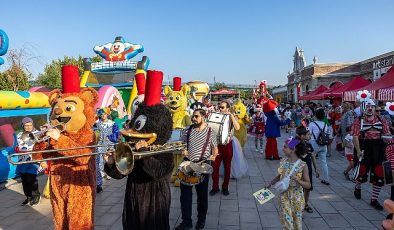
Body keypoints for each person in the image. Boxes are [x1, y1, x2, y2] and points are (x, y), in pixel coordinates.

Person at [175, 109, 218, 230]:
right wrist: (182, 149)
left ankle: (201, 220)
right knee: (185, 196)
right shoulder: (188, 129)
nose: (193, 118)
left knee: (202, 196)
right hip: (187, 165)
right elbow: (181, 144)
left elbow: (215, 148)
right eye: (192, 116)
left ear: (203, 116)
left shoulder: (210, 131)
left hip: (202, 166)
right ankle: (186, 221)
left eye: (196, 116)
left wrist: (213, 155)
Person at [352, 99, 390, 210]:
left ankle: (374, 199)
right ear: (363, 108)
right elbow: (355, 136)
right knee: (361, 171)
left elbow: (387, 134)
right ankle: (358, 186)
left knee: (379, 173)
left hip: (379, 148)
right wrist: (358, 150)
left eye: (372, 106)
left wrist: (387, 139)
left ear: (375, 108)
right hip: (364, 147)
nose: (370, 108)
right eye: (367, 106)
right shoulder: (358, 121)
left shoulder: (382, 120)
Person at [267, 137, 311, 230]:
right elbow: (280, 175)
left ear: (293, 149)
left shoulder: (303, 165)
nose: (283, 149)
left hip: (297, 198)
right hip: (284, 197)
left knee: (297, 224)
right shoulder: (283, 161)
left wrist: (298, 181)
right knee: (286, 223)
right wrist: (271, 183)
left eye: (285, 147)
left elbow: (308, 185)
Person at [210, 100, 240, 196]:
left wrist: (231, 115)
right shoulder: (216, 116)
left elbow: (237, 127)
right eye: (219, 107)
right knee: (214, 167)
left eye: (222, 107)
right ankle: (215, 188)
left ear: (227, 108)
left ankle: (225, 187)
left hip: (227, 145)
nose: (220, 109)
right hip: (216, 146)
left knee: (227, 167)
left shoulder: (232, 116)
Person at [16, 117, 41, 206]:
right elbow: (17, 146)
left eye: (30, 125)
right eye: (26, 125)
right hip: (22, 160)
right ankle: (28, 197)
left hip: (33, 160)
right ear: (23, 125)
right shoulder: (19, 134)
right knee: (24, 181)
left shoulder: (38, 133)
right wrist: (17, 149)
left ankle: (36, 196)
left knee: (32, 179)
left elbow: (41, 146)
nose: (29, 127)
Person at [94, 108, 119, 193]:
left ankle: (110, 173)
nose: (103, 115)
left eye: (104, 114)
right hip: (99, 145)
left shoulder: (112, 124)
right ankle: (99, 182)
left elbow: (116, 133)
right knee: (98, 162)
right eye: (101, 114)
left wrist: (111, 138)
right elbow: (93, 134)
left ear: (107, 114)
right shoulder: (96, 124)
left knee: (109, 160)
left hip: (109, 145)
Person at [296, 126, 319, 213]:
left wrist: (316, 168)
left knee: (308, 188)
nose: (310, 136)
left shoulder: (309, 144)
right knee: (297, 188)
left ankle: (305, 204)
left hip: (308, 169)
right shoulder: (294, 142)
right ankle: (297, 206)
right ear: (301, 135)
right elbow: (287, 151)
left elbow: (312, 156)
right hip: (297, 170)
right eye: (308, 134)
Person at [309, 108, 332, 185]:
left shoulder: (312, 124)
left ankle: (310, 177)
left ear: (316, 115)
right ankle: (326, 179)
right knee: (324, 162)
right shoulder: (325, 124)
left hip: (314, 144)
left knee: (310, 160)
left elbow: (308, 134)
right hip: (323, 144)